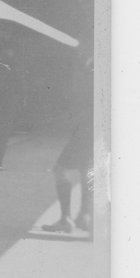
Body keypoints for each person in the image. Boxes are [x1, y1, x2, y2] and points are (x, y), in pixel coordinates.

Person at [42, 55, 94, 233]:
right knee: (87, 170)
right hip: (101, 133)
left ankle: (66, 219)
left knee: (60, 168)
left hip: (86, 131)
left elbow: (86, 109)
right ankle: (84, 216)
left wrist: (68, 122)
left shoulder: (92, 77)